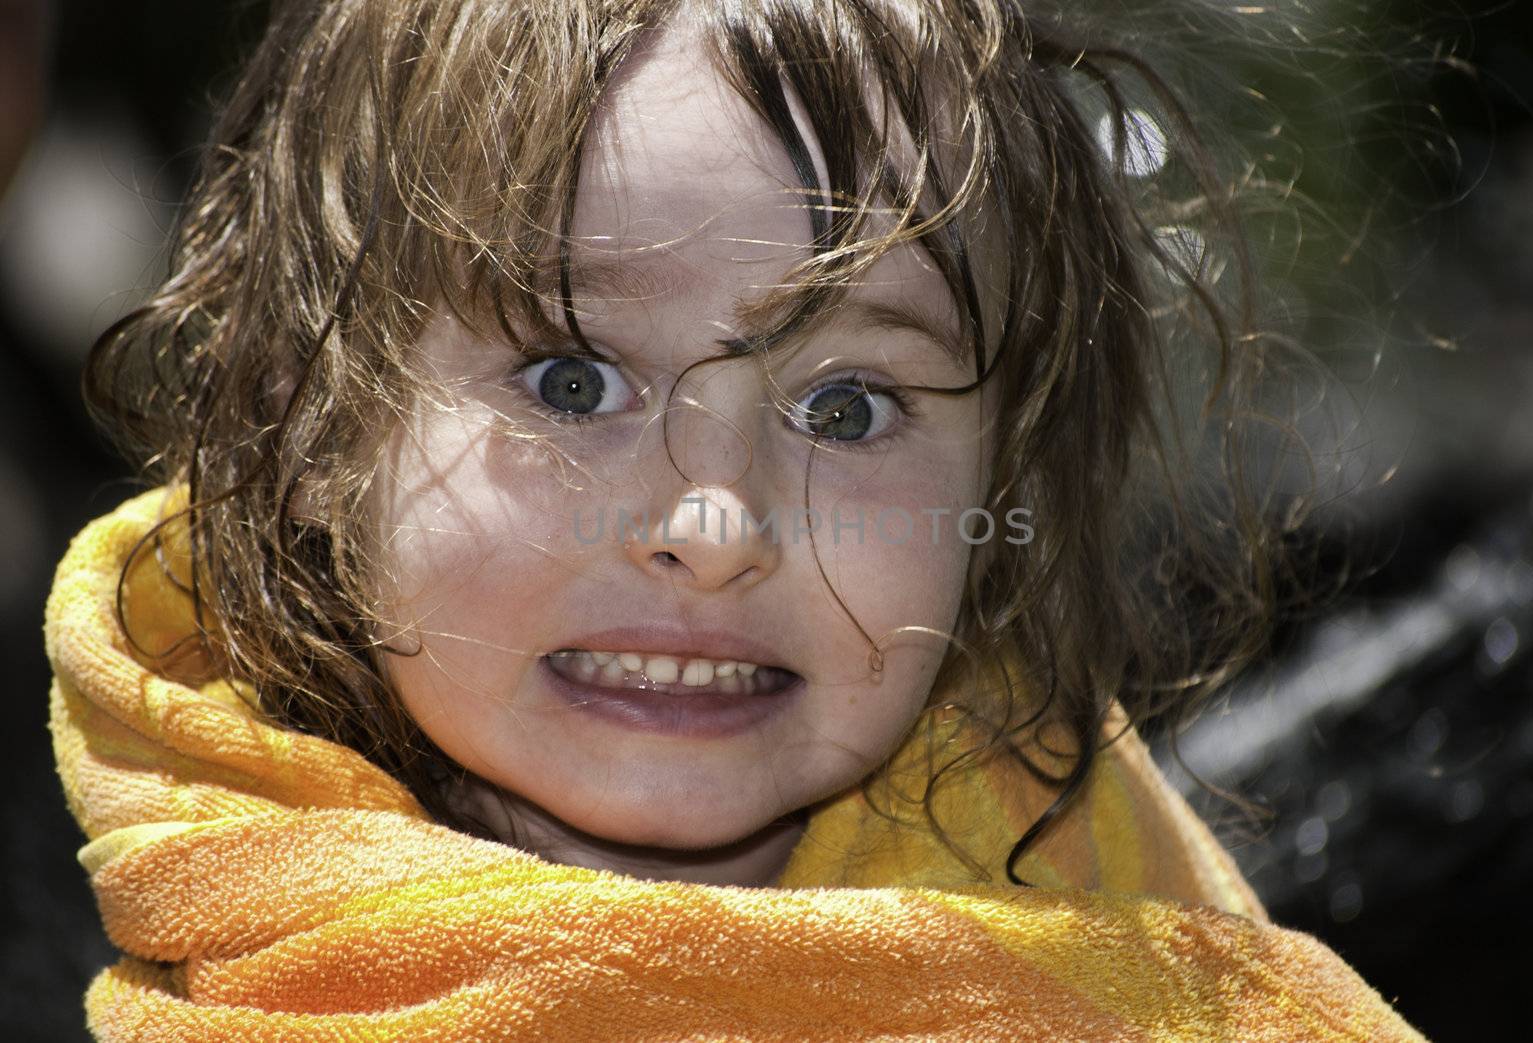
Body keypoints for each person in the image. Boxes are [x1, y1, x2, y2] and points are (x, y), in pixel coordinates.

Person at [46, 0, 1429, 1037]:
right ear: (317, 430)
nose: (715, 526)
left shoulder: (1095, 899)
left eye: (846, 410)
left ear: (995, 486)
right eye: (572, 379)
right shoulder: (233, 936)